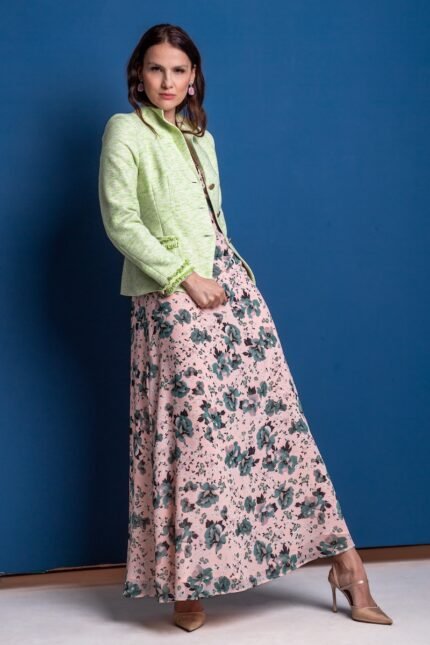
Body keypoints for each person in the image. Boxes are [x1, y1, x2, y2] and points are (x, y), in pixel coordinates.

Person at [98, 23, 393, 632]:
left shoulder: (201, 135)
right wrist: (183, 275)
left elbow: (214, 221)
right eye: (156, 70)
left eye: (179, 71)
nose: (168, 82)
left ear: (194, 76)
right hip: (172, 294)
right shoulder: (125, 130)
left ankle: (346, 562)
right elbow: (121, 219)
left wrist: (220, 275)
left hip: (230, 288)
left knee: (275, 420)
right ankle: (189, 583)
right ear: (139, 74)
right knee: (195, 435)